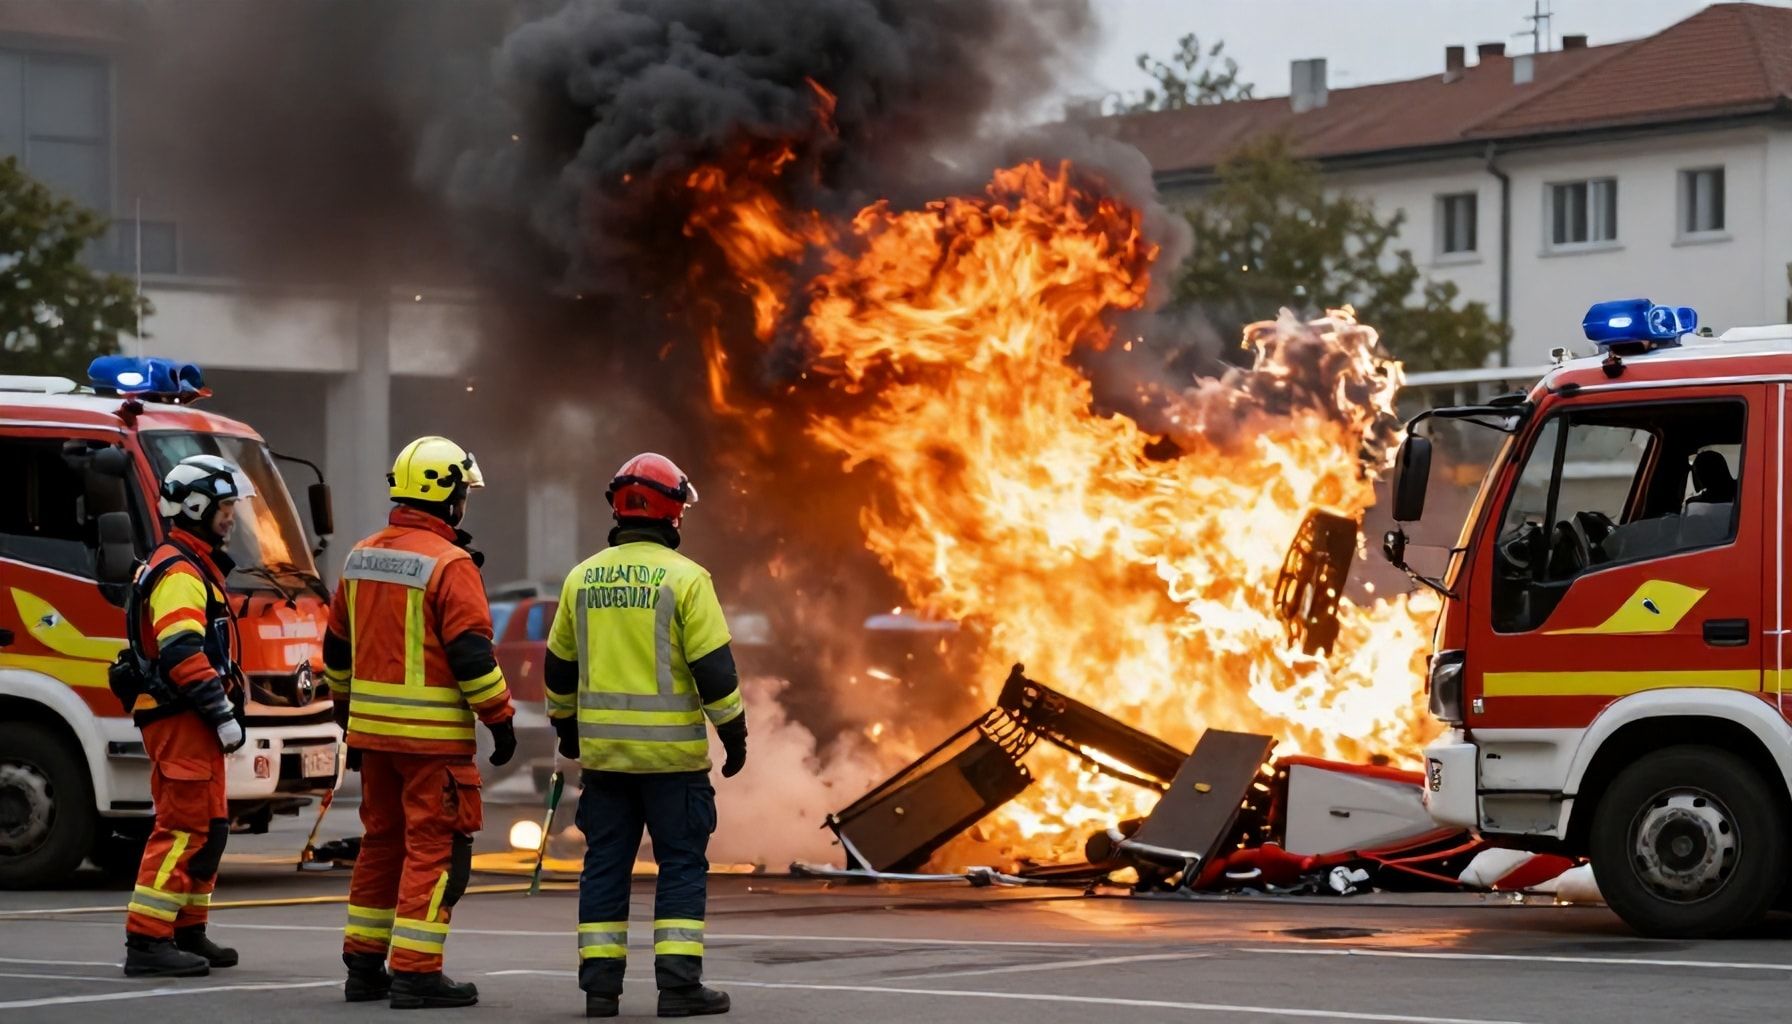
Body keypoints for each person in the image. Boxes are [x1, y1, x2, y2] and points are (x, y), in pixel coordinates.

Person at [544, 452, 748, 1019]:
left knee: (605, 866)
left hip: (607, 762)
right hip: (673, 763)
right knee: (681, 865)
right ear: (672, 513)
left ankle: (600, 990)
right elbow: (714, 670)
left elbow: (559, 667)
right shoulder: (687, 579)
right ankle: (679, 987)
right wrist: (734, 735)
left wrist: (567, 730)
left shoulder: (582, 577)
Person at [321, 436, 516, 1010]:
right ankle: (416, 973)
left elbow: (336, 654)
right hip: (433, 746)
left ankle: (364, 967)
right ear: (446, 495)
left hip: (374, 741)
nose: (465, 504)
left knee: (380, 848)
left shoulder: (359, 557)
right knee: (437, 853)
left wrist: (347, 720)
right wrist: (500, 721)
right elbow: (472, 656)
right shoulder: (450, 565)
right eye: (463, 492)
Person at [121, 455, 249, 978]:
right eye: (224, 508)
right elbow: (180, 652)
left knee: (210, 827)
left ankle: (187, 930)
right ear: (196, 507)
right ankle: (148, 942)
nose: (231, 517)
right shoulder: (179, 571)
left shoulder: (189, 564)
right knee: (182, 828)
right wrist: (220, 711)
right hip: (183, 716)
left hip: (190, 717)